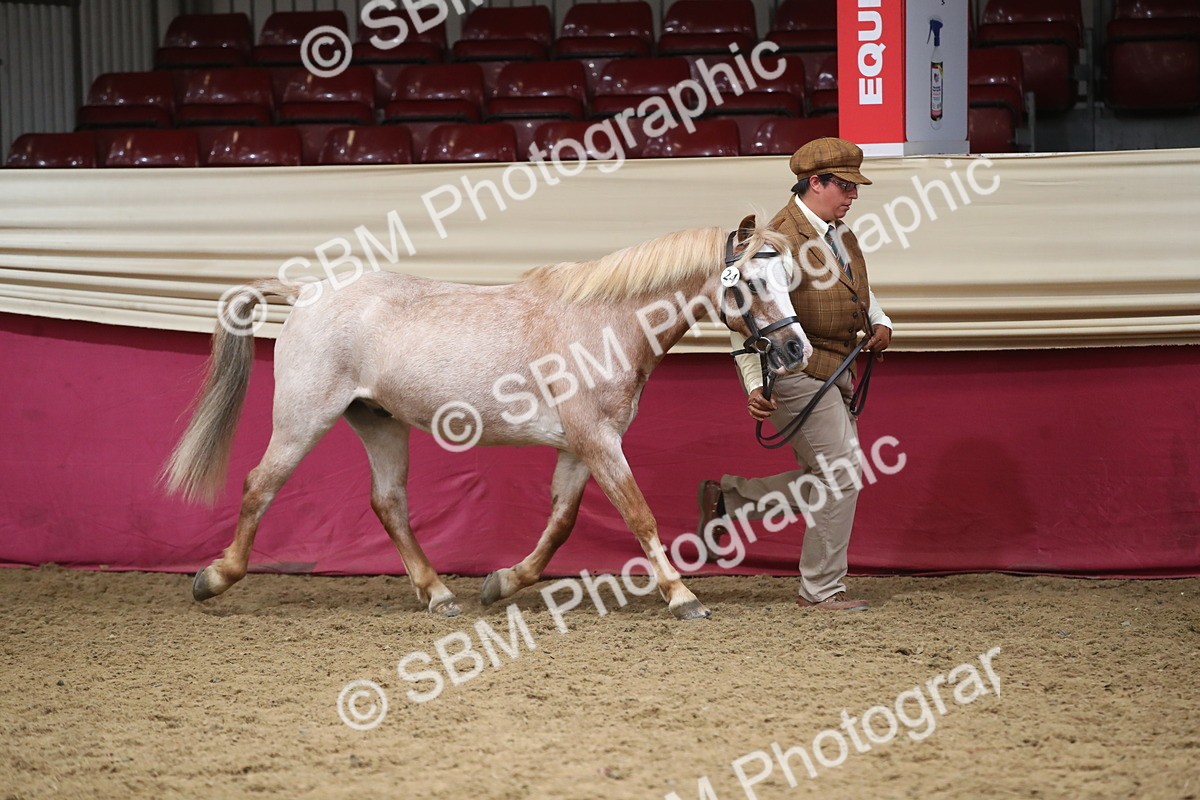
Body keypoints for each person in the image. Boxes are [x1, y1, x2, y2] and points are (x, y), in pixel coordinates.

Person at [697, 137, 893, 611]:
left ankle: (733, 501)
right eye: (844, 186)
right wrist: (755, 385)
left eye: (854, 186)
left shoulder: (838, 232)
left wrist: (882, 320)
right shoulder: (774, 243)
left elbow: (854, 290)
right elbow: (745, 325)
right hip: (794, 375)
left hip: (836, 370)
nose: (853, 195)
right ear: (814, 183)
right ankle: (821, 589)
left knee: (826, 475)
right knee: (842, 473)